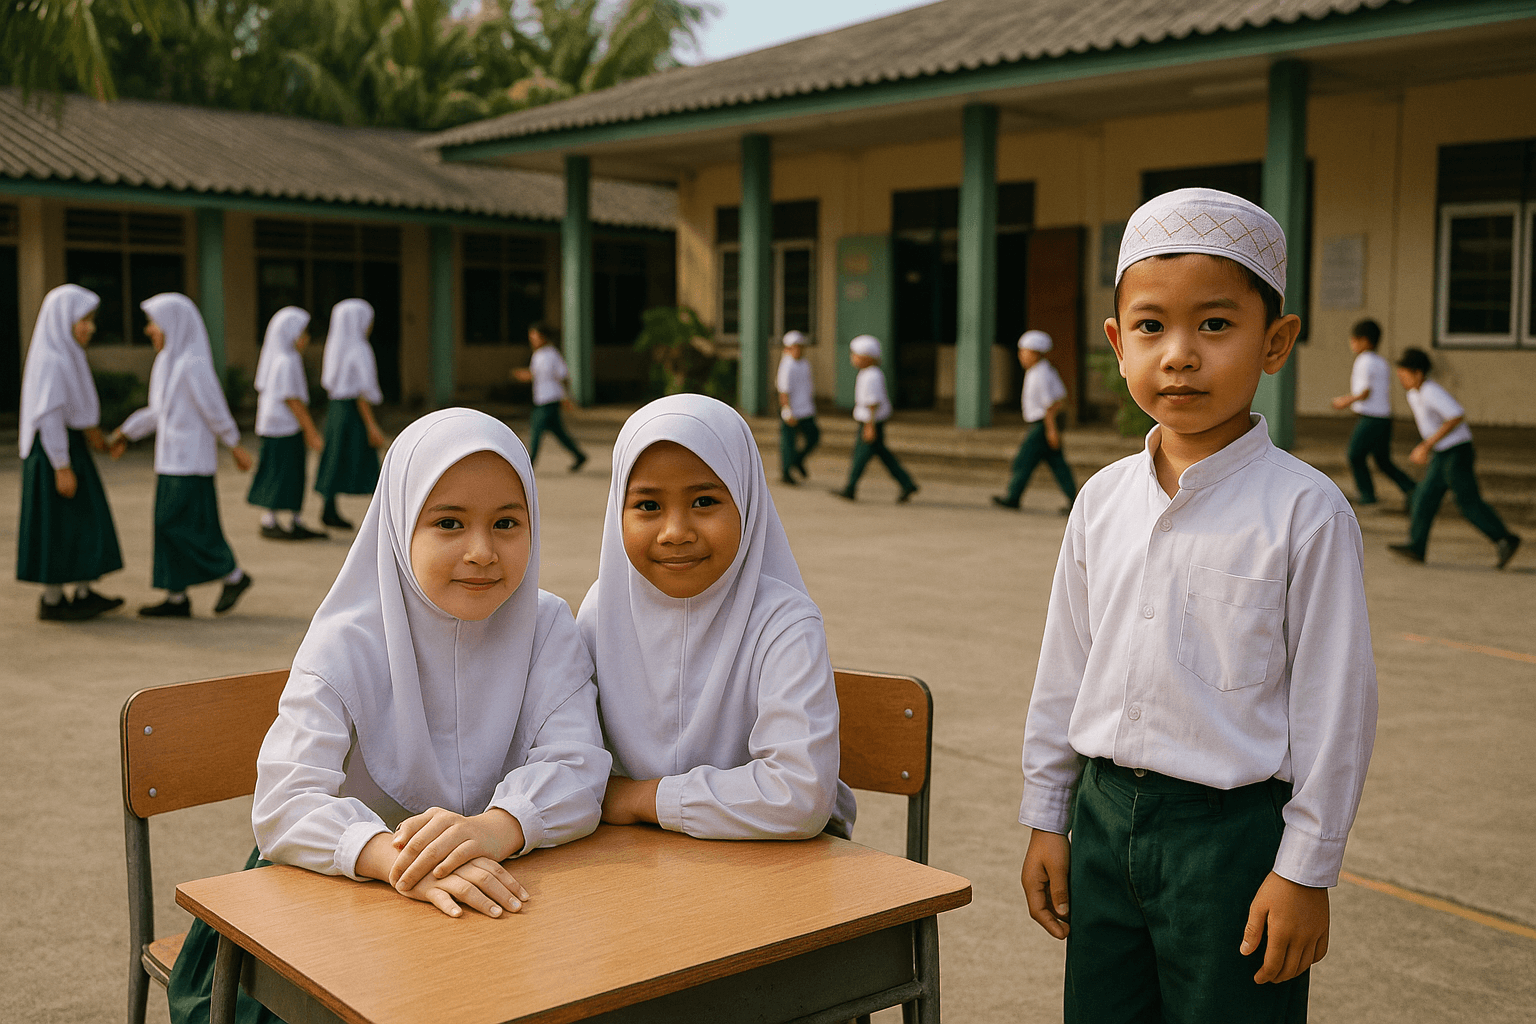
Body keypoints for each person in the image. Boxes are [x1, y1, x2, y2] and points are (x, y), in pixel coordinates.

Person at [1018, 188, 1378, 1024]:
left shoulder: (1305, 512)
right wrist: (1047, 816)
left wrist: (1305, 870)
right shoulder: (1101, 501)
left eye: (1215, 325)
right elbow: (1063, 670)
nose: (1178, 354)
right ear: (1116, 343)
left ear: (1276, 341)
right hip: (1102, 819)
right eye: (1151, 327)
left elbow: (1337, 708)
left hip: (1233, 842)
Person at [162, 409, 610, 1023]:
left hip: (488, 896)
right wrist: (398, 860)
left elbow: (579, 765)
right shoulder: (346, 643)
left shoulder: (549, 626)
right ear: (399, 527)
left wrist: (497, 827)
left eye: (507, 522)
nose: (482, 552)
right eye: (448, 522)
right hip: (324, 903)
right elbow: (285, 803)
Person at [579, 394, 855, 840]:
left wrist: (637, 798)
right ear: (617, 512)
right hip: (633, 865)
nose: (675, 533)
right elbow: (567, 753)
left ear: (746, 499)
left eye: (705, 501)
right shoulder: (600, 611)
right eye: (648, 506)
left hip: (775, 870)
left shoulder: (783, 624)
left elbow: (800, 796)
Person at [109, 293, 254, 618]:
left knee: (179, 525)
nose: (149, 331)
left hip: (191, 463)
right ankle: (176, 597)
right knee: (166, 528)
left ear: (173, 325)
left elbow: (214, 409)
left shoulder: (193, 364)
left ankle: (234, 575)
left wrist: (234, 444)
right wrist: (124, 433)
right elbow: (156, 413)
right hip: (169, 461)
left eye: (154, 324)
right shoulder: (166, 362)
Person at [16, 284, 125, 621]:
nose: (90, 327)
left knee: (77, 521)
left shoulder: (67, 354)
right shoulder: (52, 359)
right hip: (55, 451)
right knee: (60, 525)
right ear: (64, 319)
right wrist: (61, 465)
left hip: (67, 448)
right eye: (84, 319)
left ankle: (81, 592)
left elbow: (78, 411)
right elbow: (49, 415)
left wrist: (101, 440)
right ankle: (54, 599)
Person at [1388, 348, 1520, 569]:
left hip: (1457, 451)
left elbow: (1456, 415)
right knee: (1423, 497)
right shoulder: (1414, 394)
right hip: (1442, 453)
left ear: (1419, 373)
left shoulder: (1430, 391)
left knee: (1467, 501)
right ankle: (1416, 547)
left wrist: (1426, 445)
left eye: (1405, 374)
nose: (1401, 379)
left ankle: (1504, 538)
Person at [247, 306, 325, 540]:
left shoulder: (278, 357)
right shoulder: (288, 359)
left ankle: (285, 519)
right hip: (285, 427)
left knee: (278, 472)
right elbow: (293, 400)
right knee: (286, 474)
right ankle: (278, 521)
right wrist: (311, 431)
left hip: (273, 425)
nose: (306, 338)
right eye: (302, 332)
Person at [314, 298, 387, 529]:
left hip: (335, 411)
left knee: (335, 458)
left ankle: (328, 509)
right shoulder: (359, 348)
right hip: (354, 413)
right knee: (368, 464)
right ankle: (383, 518)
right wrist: (372, 426)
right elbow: (361, 393)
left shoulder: (335, 346)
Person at [1329, 318, 1415, 509]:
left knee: (1355, 455)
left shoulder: (1364, 361)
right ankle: (1411, 488)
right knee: (1382, 460)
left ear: (1365, 341)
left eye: (1354, 340)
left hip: (1372, 419)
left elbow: (1364, 392)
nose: (1351, 344)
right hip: (1384, 417)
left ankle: (1367, 494)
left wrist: (1344, 401)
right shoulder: (1380, 361)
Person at [992, 329, 1077, 513]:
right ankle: (1075, 501)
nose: (1021, 356)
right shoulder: (1042, 371)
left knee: (1023, 461)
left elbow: (1051, 406)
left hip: (1042, 425)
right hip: (1044, 425)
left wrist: (1051, 430)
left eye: (1024, 351)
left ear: (1036, 353)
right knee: (1058, 464)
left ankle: (1013, 497)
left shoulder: (1040, 374)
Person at [833, 335, 918, 503]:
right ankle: (906, 483)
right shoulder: (868, 373)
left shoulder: (872, 375)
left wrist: (869, 426)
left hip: (870, 422)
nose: (853, 358)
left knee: (860, 457)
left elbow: (873, 403)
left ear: (866, 357)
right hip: (870, 422)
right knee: (883, 455)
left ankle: (850, 488)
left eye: (855, 355)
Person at [512, 321, 587, 472]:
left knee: (535, 432)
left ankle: (527, 466)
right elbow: (535, 375)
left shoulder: (552, 354)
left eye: (535, 336)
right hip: (541, 399)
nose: (533, 339)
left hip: (549, 400)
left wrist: (567, 397)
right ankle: (579, 455)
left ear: (543, 337)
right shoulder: (537, 355)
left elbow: (563, 376)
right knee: (559, 432)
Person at [775, 329, 819, 485]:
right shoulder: (787, 365)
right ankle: (786, 472)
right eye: (795, 347)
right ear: (788, 348)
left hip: (806, 409)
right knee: (788, 443)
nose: (799, 350)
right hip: (792, 411)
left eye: (800, 346)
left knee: (814, 437)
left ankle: (797, 460)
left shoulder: (804, 363)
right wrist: (787, 410)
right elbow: (783, 390)